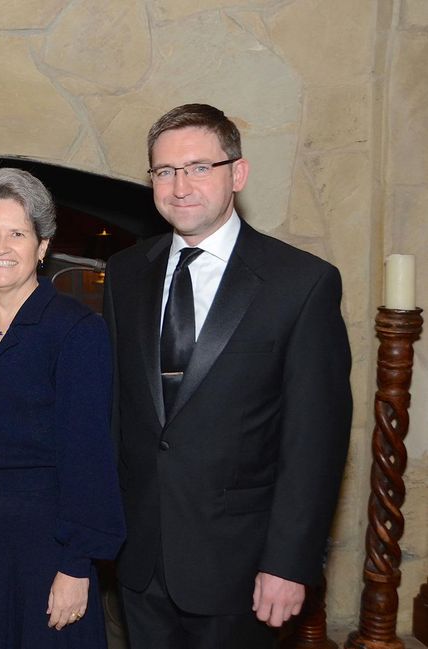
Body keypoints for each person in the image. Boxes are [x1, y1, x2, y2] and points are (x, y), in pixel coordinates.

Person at [102, 103, 352, 648]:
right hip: (142, 559)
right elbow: (120, 414)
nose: (179, 186)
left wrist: (288, 562)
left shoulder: (301, 283)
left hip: (242, 566)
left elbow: (315, 440)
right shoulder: (124, 275)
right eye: (164, 171)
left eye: (198, 167)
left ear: (236, 173)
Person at [0, 168, 126, 648]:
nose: (1, 246)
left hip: (44, 545)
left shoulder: (76, 331)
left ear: (42, 247)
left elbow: (89, 456)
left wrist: (76, 565)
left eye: (17, 234)